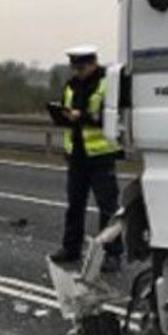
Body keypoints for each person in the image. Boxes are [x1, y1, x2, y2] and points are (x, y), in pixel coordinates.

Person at [48, 45, 123, 273]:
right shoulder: (71, 85)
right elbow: (68, 110)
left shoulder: (107, 83)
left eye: (81, 67)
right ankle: (71, 249)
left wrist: (85, 116)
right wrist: (63, 116)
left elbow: (112, 115)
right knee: (75, 206)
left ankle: (112, 255)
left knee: (108, 208)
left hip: (101, 155)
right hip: (78, 155)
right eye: (74, 67)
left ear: (93, 63)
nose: (77, 71)